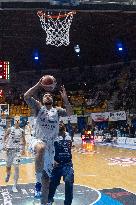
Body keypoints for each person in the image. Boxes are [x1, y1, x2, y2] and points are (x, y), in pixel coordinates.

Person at [24, 78, 72, 205]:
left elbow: (70, 113)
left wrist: (65, 99)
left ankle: (44, 201)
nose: (47, 96)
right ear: (43, 99)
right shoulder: (38, 107)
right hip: (37, 140)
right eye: (45, 95)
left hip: (51, 146)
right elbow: (26, 96)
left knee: (47, 180)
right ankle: (37, 182)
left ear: (52, 99)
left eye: (50, 95)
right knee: (41, 148)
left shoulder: (57, 110)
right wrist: (38, 85)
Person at [48, 122, 74, 205]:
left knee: (69, 182)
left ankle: (67, 203)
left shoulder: (69, 136)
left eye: (61, 131)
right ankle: (49, 199)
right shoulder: (52, 137)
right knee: (52, 184)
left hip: (68, 164)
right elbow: (48, 150)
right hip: (57, 165)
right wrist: (52, 160)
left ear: (64, 129)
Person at [4, 119, 26, 192]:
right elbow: (4, 137)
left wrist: (23, 149)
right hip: (9, 151)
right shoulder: (10, 129)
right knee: (8, 167)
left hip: (17, 152)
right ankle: (8, 175)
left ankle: (14, 185)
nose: (17, 121)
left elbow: (24, 140)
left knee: (16, 167)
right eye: (16, 120)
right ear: (14, 121)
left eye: (18, 120)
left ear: (20, 122)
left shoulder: (22, 131)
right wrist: (4, 145)